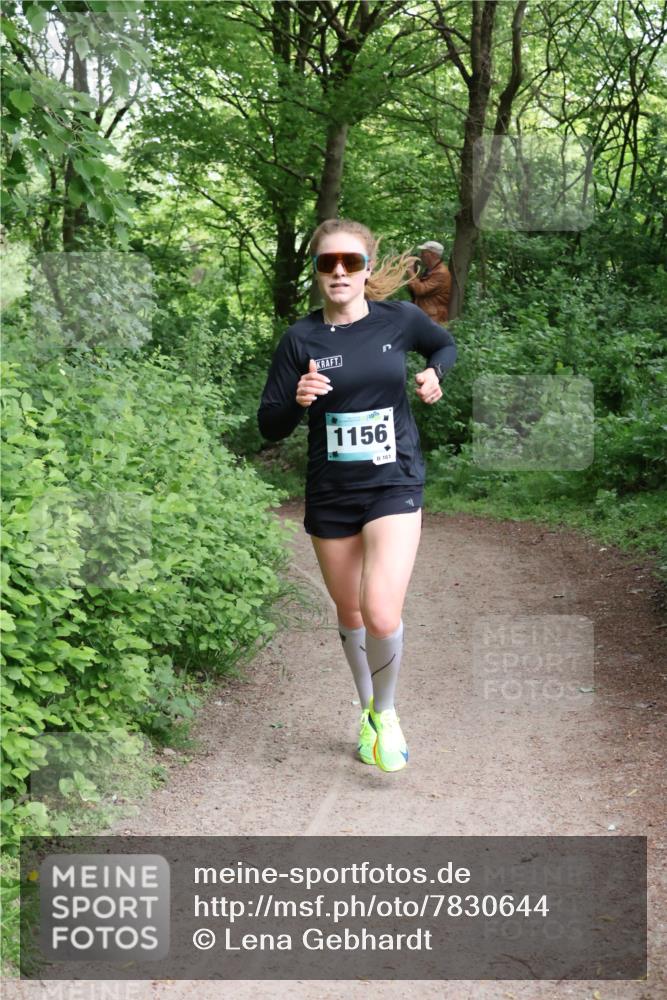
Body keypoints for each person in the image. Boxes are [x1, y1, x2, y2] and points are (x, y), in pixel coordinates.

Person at [257, 219, 457, 773]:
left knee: (380, 612)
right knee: (350, 613)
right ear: (317, 272)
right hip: (331, 492)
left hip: (394, 482)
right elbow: (269, 425)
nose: (340, 271)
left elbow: (443, 344)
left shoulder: (400, 319)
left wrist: (435, 373)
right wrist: (297, 399)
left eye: (351, 262)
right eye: (328, 263)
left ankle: (386, 713)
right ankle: (367, 708)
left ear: (367, 269)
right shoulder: (300, 340)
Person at [407, 240, 451, 324]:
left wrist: (410, 271)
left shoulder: (441, 273)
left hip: (433, 318)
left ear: (433, 255)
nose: (421, 255)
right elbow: (415, 291)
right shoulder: (430, 270)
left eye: (424, 252)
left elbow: (420, 290)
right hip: (425, 314)